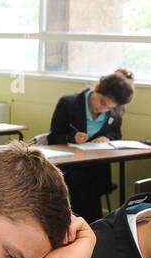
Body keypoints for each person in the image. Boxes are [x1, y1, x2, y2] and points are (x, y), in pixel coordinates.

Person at [48, 67, 135, 220]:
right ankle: (90, 227)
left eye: (109, 107)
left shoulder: (115, 112)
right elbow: (53, 137)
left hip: (97, 167)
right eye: (101, 102)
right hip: (69, 167)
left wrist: (107, 138)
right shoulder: (68, 103)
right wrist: (72, 137)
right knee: (81, 183)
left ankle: (92, 228)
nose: (102, 109)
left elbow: (116, 134)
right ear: (96, 88)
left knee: (90, 184)